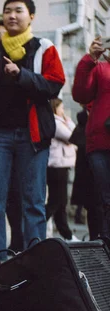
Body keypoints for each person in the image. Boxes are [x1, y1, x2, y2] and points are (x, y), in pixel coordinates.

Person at [0, 0, 65, 273]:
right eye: (7, 11)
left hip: (32, 135)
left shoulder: (44, 48)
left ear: (31, 16)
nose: (11, 16)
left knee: (33, 200)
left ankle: (36, 260)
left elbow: (54, 85)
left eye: (18, 11)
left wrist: (21, 75)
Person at [72, 36, 110, 238]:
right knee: (104, 200)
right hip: (100, 142)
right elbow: (80, 94)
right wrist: (89, 60)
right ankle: (104, 250)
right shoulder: (101, 68)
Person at [46, 98, 79, 241]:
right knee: (56, 201)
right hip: (57, 166)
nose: (63, 111)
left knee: (60, 203)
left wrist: (67, 120)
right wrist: (68, 121)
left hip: (62, 165)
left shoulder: (62, 122)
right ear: (55, 108)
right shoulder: (56, 123)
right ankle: (38, 225)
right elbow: (74, 136)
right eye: (61, 108)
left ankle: (67, 234)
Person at [69, 107, 105, 239]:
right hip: (90, 170)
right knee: (96, 206)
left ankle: (96, 237)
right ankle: (98, 238)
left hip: (86, 170)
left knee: (93, 207)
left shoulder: (83, 124)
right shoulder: (86, 123)